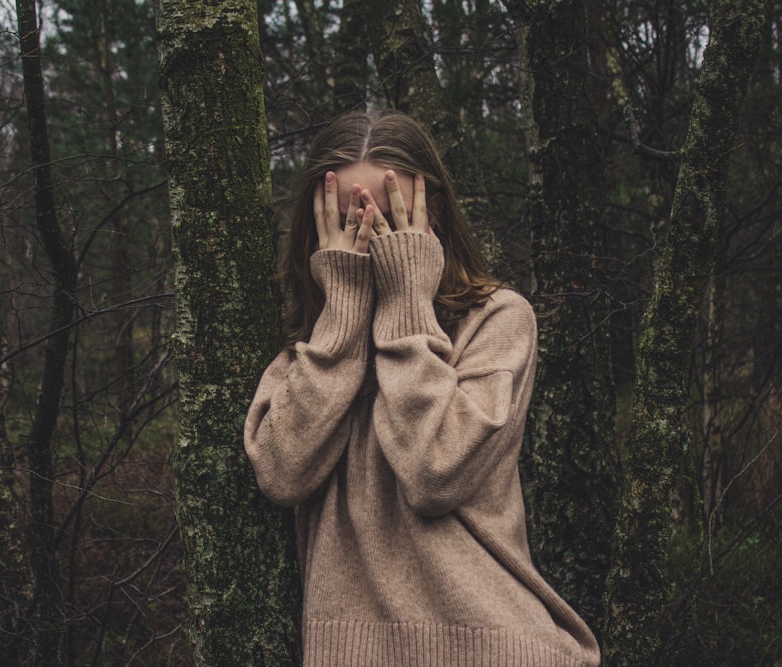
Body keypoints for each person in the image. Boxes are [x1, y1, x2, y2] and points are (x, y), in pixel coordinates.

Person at [244, 110, 601, 666]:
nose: (366, 236)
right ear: (317, 229)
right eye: (345, 221)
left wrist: (407, 306)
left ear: (430, 211)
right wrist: (340, 321)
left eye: (386, 217)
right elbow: (281, 472)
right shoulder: (309, 351)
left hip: (498, 646)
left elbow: (437, 471)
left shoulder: (497, 320)